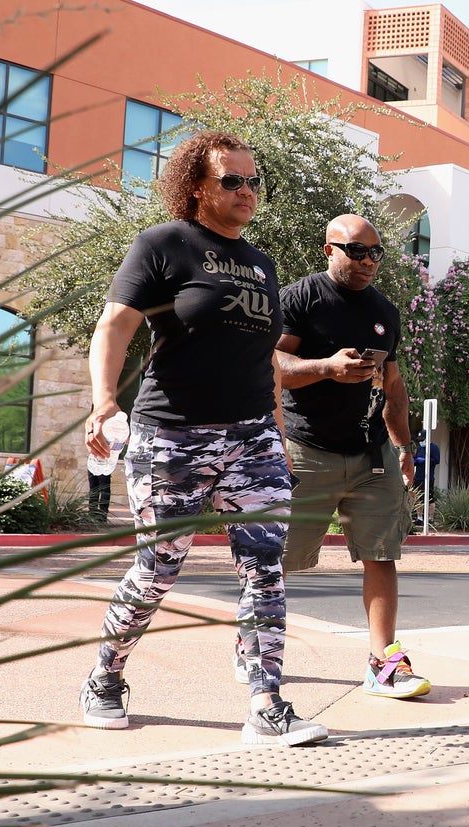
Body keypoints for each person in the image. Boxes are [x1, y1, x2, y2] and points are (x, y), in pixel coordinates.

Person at [79, 130, 325, 746]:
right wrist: (105, 400)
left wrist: (277, 431)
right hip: (173, 435)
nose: (247, 192)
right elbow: (115, 324)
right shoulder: (164, 245)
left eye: (253, 182)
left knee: (265, 566)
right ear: (197, 187)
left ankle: (267, 702)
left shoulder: (262, 264)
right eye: (231, 181)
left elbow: (261, 356)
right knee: (160, 565)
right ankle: (106, 674)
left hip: (253, 437)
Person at [271, 213, 432, 699]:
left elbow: (395, 386)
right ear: (329, 250)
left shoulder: (384, 311)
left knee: (382, 554)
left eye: (375, 253)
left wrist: (404, 447)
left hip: (371, 455)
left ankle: (384, 662)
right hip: (306, 448)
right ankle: (254, 643)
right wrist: (326, 367)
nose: (367, 261)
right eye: (356, 251)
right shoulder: (301, 298)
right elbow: (272, 364)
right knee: (277, 559)